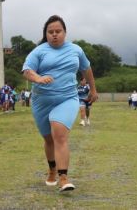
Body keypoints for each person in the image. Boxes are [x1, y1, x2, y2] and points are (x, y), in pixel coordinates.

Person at [22, 15, 98, 192]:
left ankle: (64, 178)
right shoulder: (39, 51)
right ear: (46, 34)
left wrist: (93, 90)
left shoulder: (76, 50)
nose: (54, 35)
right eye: (50, 32)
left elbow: (86, 69)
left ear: (65, 32)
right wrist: (38, 78)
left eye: (58, 31)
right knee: (48, 139)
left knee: (60, 134)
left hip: (67, 98)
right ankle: (52, 170)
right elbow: (27, 71)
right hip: (42, 101)